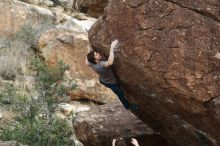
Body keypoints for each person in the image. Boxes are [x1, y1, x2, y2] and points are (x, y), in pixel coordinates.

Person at [86, 40, 138, 110]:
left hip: (103, 80)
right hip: (111, 82)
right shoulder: (100, 65)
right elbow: (110, 62)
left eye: (96, 53)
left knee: (119, 89)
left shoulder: (91, 63)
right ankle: (128, 106)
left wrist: (88, 50)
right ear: (95, 60)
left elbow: (86, 62)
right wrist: (111, 47)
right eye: (96, 55)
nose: (98, 54)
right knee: (120, 93)